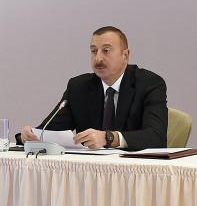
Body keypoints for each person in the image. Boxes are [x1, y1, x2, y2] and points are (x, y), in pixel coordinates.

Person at [21, 26, 167, 150]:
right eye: (93, 51)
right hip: (90, 169)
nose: (98, 58)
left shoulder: (149, 84)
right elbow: (48, 130)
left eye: (106, 50)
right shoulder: (79, 87)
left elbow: (156, 137)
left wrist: (109, 138)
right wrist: (29, 136)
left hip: (133, 169)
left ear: (125, 55)